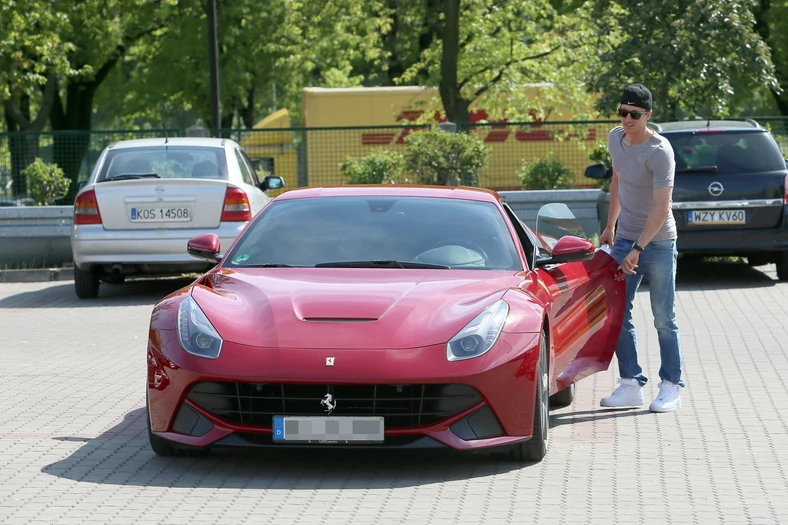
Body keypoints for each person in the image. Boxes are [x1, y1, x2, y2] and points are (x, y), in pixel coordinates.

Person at [599, 83, 685, 413]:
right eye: (622, 112)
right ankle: (631, 384)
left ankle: (670, 386)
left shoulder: (660, 151)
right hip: (624, 241)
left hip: (659, 243)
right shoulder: (615, 138)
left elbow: (662, 209)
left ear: (648, 115)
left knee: (664, 317)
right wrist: (610, 226)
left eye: (634, 114)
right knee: (618, 313)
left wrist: (637, 248)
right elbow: (618, 179)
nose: (627, 119)